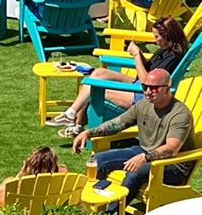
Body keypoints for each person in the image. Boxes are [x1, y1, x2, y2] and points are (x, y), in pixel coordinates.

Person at [49, 17, 190, 139]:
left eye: (157, 37)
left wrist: (136, 55)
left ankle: (75, 123)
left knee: (92, 87)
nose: (155, 40)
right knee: (98, 73)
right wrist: (139, 54)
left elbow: (147, 82)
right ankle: (71, 116)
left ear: (167, 35)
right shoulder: (167, 49)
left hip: (144, 95)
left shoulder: (173, 57)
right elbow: (149, 68)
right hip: (139, 85)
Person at [72, 68, 195, 205]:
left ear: (167, 89)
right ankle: (93, 206)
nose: (148, 92)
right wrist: (88, 133)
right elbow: (117, 124)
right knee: (98, 160)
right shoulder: (143, 105)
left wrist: (144, 158)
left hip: (174, 165)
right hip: (145, 152)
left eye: (154, 88)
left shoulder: (180, 114)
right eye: (145, 87)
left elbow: (172, 148)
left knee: (135, 173)